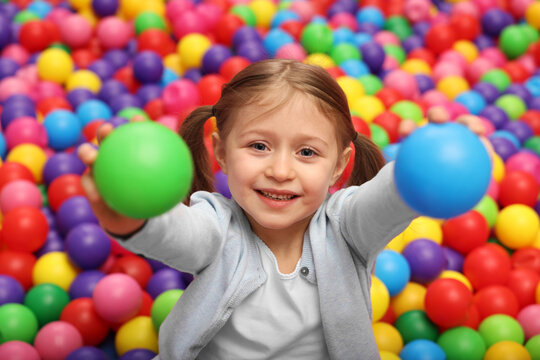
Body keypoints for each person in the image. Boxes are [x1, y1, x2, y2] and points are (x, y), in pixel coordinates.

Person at [77, 59, 471, 359]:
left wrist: (426, 162)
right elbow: (179, 233)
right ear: (221, 153)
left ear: (338, 165)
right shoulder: (217, 226)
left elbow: (385, 200)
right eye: (259, 146)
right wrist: (133, 217)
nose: (280, 171)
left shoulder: (348, 227)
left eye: (306, 152)